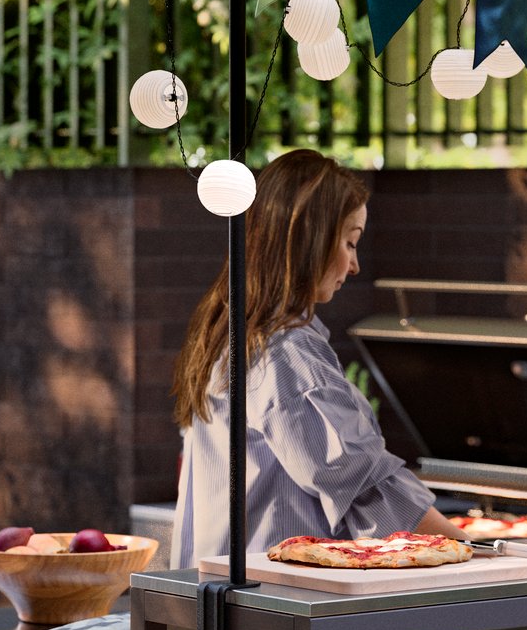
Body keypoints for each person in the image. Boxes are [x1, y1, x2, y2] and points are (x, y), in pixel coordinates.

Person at [170, 148, 463, 569]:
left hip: (229, 597)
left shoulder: (237, 334)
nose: (355, 264)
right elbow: (358, 481)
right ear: (310, 238)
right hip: (274, 598)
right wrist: (471, 550)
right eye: (350, 241)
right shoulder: (285, 350)